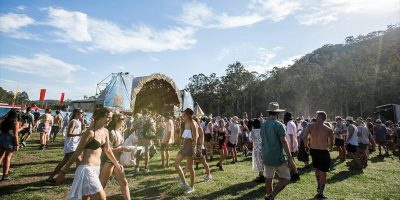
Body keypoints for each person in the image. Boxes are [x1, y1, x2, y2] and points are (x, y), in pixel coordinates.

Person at [59, 107, 123, 200]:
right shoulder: (89, 132)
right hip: (86, 169)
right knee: (102, 198)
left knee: (86, 198)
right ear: (100, 117)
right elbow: (77, 152)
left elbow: (108, 150)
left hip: (96, 169)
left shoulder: (105, 132)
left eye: (111, 117)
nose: (110, 119)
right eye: (108, 117)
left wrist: (116, 164)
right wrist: (64, 171)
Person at [261, 102, 297, 200]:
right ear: (277, 113)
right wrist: (290, 158)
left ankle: (269, 196)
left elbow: (263, 141)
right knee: (286, 178)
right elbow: (283, 141)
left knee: (268, 178)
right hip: (277, 157)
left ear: (269, 113)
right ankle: (272, 195)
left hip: (266, 155)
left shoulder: (263, 125)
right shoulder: (279, 125)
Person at [47, 109, 84, 183]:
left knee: (65, 162)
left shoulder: (79, 122)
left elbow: (80, 132)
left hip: (75, 144)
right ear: (77, 113)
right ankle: (76, 179)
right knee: (79, 160)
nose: (83, 114)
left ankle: (51, 177)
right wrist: (79, 134)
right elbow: (69, 134)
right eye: (81, 113)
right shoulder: (73, 121)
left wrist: (83, 125)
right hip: (71, 145)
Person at [100, 113, 131, 200]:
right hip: (108, 162)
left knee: (124, 184)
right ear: (117, 121)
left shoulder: (119, 131)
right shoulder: (110, 132)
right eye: (122, 119)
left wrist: (125, 149)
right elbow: (107, 150)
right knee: (100, 186)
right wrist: (121, 149)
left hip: (117, 162)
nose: (124, 121)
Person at [303, 111, 334, 199]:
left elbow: (304, 137)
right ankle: (320, 192)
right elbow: (332, 142)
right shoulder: (328, 129)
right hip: (322, 151)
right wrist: (330, 147)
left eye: (317, 116)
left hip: (314, 151)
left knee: (317, 169)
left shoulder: (310, 126)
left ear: (321, 118)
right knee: (322, 172)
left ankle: (319, 186)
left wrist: (306, 146)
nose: (315, 117)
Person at [175, 108, 198, 194]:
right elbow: (184, 136)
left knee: (191, 167)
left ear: (188, 115)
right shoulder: (185, 123)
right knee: (176, 164)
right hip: (184, 145)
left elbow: (195, 137)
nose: (182, 116)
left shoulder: (193, 123)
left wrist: (194, 148)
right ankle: (184, 183)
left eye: (184, 115)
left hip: (190, 146)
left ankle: (192, 187)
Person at [0, 109, 21, 180]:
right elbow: (15, 134)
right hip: (9, 140)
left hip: (1, 138)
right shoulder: (15, 122)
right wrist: (17, 144)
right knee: (7, 157)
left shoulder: (4, 120)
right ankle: (5, 175)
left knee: (0, 156)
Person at [193, 116, 212, 181]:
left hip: (200, 147)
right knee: (190, 162)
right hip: (195, 146)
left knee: (204, 162)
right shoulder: (194, 128)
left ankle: (209, 175)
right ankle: (182, 175)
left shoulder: (199, 128)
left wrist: (200, 147)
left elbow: (202, 138)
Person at [283, 112, 300, 180]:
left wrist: (291, 147)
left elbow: (290, 135)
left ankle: (295, 173)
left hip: (291, 144)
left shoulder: (289, 124)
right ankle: (292, 172)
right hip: (293, 143)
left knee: (290, 160)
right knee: (290, 160)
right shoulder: (292, 122)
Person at [249, 118, 264, 183]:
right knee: (262, 160)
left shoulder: (253, 131)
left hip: (256, 147)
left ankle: (261, 175)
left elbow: (250, 140)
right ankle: (262, 174)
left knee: (258, 160)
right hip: (262, 147)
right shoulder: (262, 130)